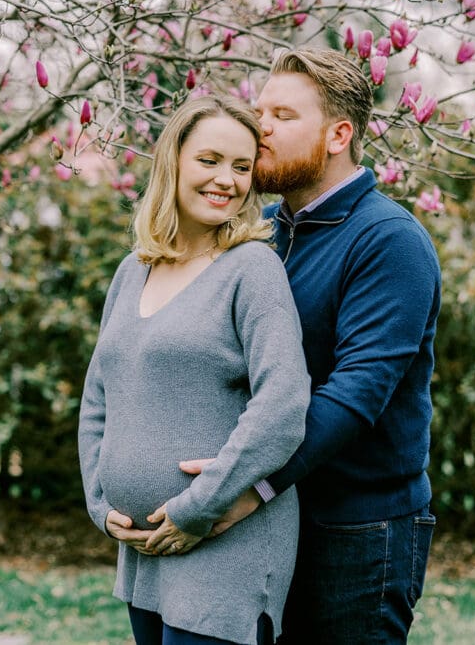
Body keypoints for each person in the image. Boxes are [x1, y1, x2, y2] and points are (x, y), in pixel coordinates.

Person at [180, 48, 442, 643]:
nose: (260, 127)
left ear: (338, 134)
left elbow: (356, 393)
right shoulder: (259, 233)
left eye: (282, 115)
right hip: (271, 523)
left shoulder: (388, 240)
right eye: (258, 111)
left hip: (357, 528)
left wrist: (250, 485)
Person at [78, 95, 311, 645]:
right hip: (143, 553)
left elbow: (283, 405)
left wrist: (197, 506)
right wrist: (99, 503)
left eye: (242, 167)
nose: (225, 180)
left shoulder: (252, 269)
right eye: (210, 160)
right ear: (174, 161)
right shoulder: (133, 270)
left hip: (223, 550)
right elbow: (98, 400)